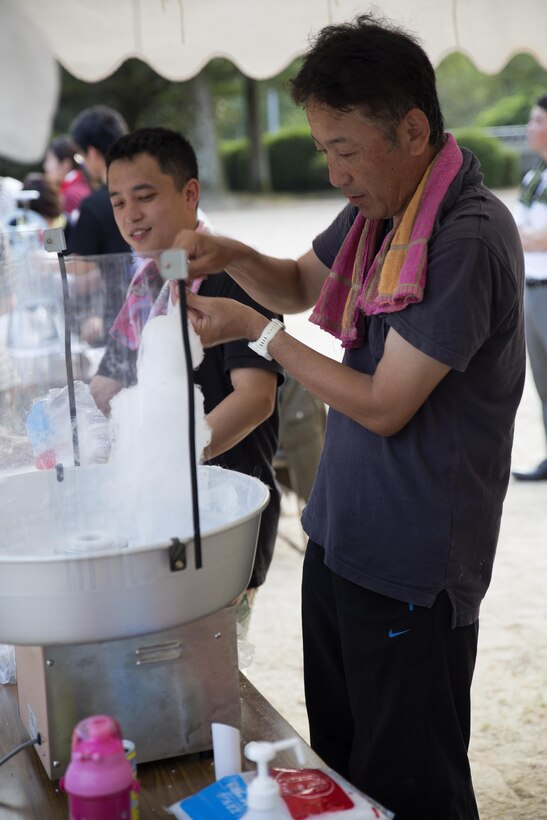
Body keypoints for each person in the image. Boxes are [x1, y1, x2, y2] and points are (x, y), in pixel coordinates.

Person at [171, 14, 526, 820]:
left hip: (410, 568)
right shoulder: (383, 212)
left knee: (414, 785)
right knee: (346, 775)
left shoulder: (463, 233)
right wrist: (230, 256)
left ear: (411, 129)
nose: (334, 173)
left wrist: (258, 335)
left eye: (344, 149)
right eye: (323, 148)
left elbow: (384, 404)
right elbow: (299, 280)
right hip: (340, 542)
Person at [90, 127, 283, 635]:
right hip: (158, 509)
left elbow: (256, 397)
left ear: (190, 193)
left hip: (222, 515)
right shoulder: (144, 281)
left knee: (209, 666)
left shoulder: (235, 274)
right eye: (118, 201)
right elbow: (107, 384)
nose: (130, 214)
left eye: (146, 196)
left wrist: (169, 458)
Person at [68, 105, 131, 344]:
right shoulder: (153, 193)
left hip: (118, 319)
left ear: (92, 152)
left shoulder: (94, 205)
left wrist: (43, 266)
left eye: (81, 156)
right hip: (160, 307)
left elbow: (80, 267)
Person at [511, 94, 547, 481]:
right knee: (544, 382)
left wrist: (529, 236)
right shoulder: (535, 175)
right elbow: (522, 233)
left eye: (537, 120)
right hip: (533, 289)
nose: (530, 128)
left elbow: (537, 237)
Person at [43, 134, 92, 219]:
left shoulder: (70, 195)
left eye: (50, 159)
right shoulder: (80, 186)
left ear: (66, 164)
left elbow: (62, 231)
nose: (45, 166)